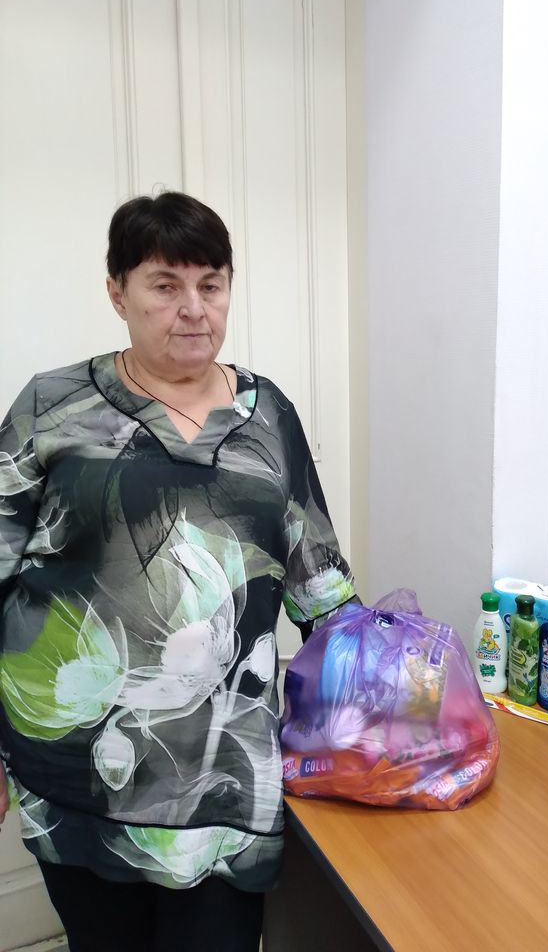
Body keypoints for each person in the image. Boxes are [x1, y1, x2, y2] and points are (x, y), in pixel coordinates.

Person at [0, 192, 356, 950]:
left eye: (211, 284)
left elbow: (321, 588)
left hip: (225, 781)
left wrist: (394, 703)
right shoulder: (51, 406)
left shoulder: (269, 415)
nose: (193, 309)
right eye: (165, 285)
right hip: (78, 775)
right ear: (117, 292)